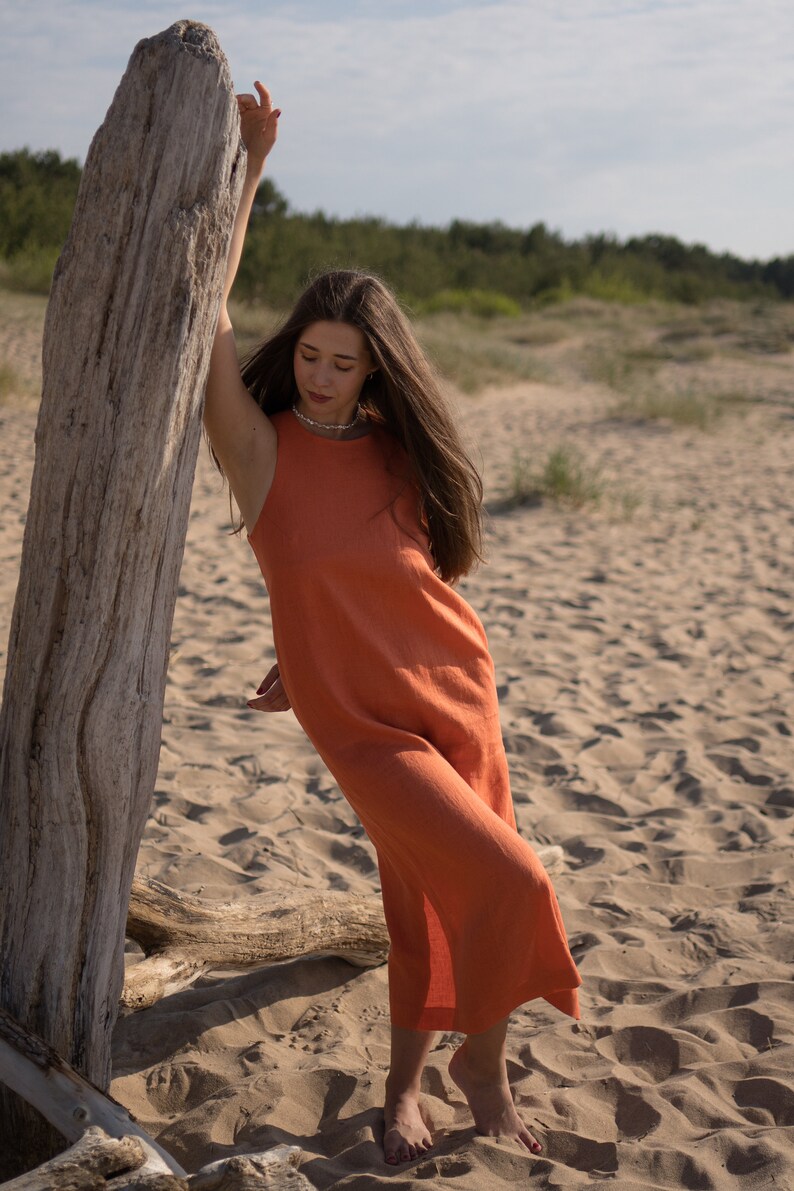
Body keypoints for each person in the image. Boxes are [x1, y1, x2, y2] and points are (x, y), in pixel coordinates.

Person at [204, 80, 581, 1167]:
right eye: (310, 356)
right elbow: (209, 310)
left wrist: (302, 634)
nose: (320, 378)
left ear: (374, 367)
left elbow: (386, 575)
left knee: (423, 899)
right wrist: (251, 164)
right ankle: (476, 1067)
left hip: (453, 685)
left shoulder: (396, 450)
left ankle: (415, 1089)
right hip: (359, 722)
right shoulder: (258, 442)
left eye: (344, 362)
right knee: (512, 879)